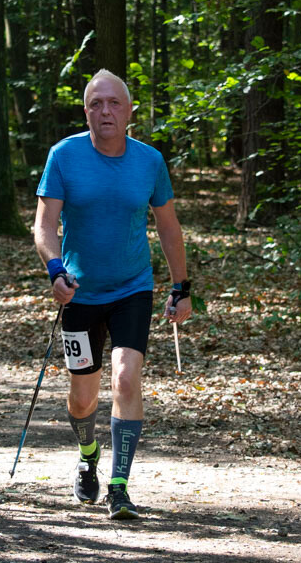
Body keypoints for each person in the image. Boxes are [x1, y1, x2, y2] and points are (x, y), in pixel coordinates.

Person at [33, 68, 191, 520]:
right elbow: (44, 226)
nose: (105, 111)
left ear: (129, 112)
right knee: (83, 396)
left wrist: (182, 287)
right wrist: (55, 269)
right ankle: (88, 456)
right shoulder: (63, 156)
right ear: (85, 112)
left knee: (125, 378)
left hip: (132, 288)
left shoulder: (149, 161)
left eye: (114, 103)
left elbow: (167, 227)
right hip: (79, 292)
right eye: (95, 104)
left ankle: (119, 486)